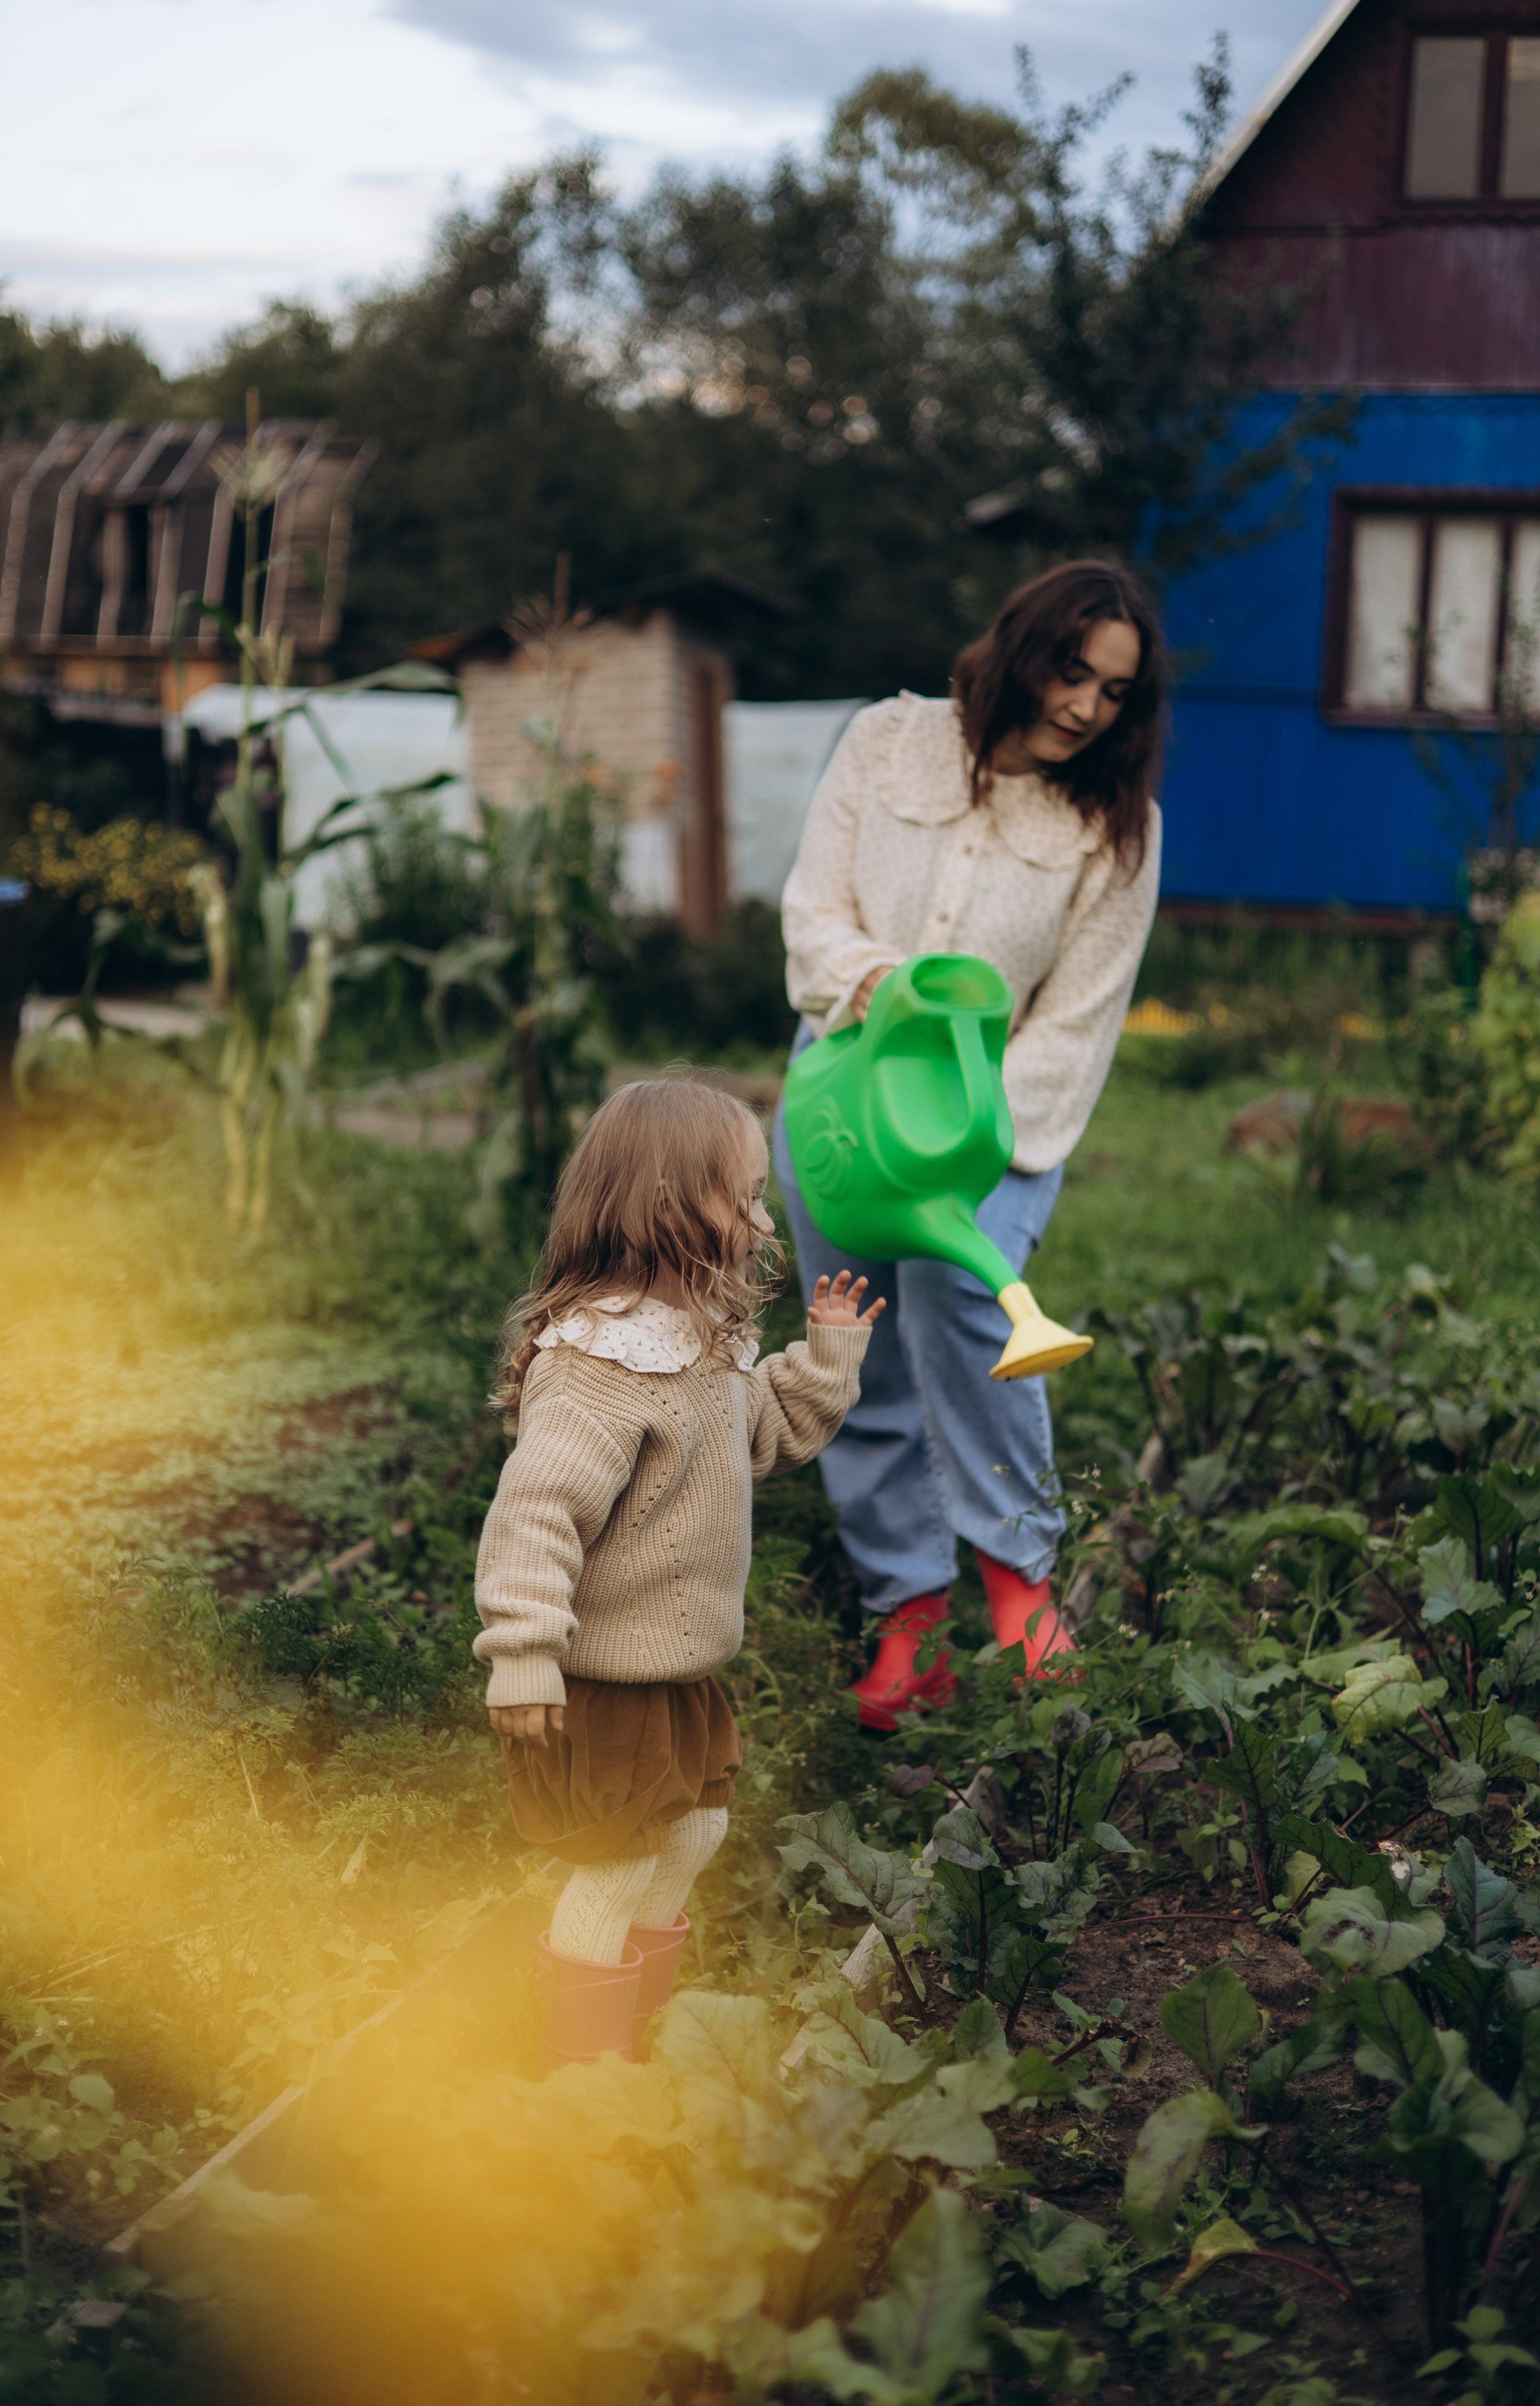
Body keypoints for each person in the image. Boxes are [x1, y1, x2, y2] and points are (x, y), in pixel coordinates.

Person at [776, 560, 1165, 1729]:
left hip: (990, 1133)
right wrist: (881, 989)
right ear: (1020, 645)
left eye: (1114, 691)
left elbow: (1077, 1023)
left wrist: (965, 1138)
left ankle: (1020, 1583)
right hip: (842, 1100)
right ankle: (908, 1617)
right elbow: (812, 914)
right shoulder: (884, 744)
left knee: (965, 1308)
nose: (1086, 707)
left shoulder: (1118, 827)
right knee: (858, 1344)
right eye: (1071, 670)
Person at [473, 1078, 880, 2069]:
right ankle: (584, 2066)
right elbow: (536, 1515)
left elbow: (761, 1436)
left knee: (694, 1833)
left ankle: (632, 2028)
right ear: (667, 1209)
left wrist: (826, 1364)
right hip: (605, 1682)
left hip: (680, 1671)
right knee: (617, 1865)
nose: (759, 1219)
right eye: (741, 1198)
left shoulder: (701, 1346)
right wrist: (522, 1655)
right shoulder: (601, 1366)